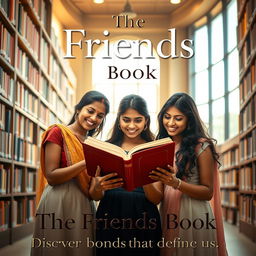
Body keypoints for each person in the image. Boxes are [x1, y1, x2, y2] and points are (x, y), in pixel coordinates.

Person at [31, 90, 123, 256]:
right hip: (58, 201)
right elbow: (51, 177)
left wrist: (99, 186)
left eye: (100, 116)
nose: (94, 118)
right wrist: (85, 162)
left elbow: (95, 193)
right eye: (90, 110)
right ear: (79, 109)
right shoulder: (58, 132)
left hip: (83, 204)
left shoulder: (95, 145)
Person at [149, 93, 227, 256]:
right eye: (167, 117)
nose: (170, 123)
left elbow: (207, 192)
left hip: (193, 213)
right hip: (168, 211)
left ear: (189, 120)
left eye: (178, 118)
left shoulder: (201, 146)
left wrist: (176, 183)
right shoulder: (163, 146)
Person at [95, 94, 163, 256]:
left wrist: (142, 174)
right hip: (109, 214)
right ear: (119, 120)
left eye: (138, 120)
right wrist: (98, 186)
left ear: (146, 121)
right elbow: (94, 195)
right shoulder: (105, 147)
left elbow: (156, 198)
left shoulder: (156, 148)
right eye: (126, 119)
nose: (131, 125)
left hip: (144, 216)